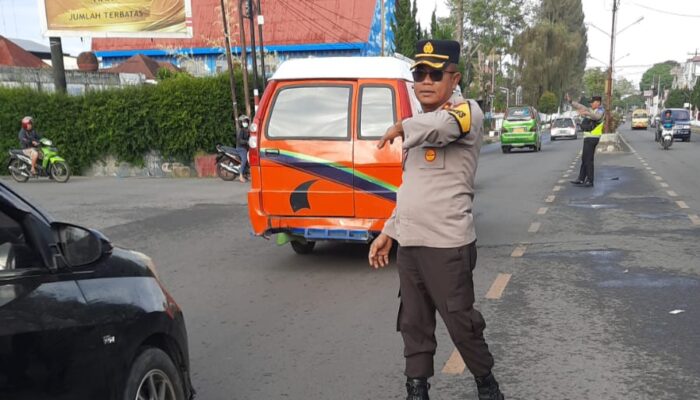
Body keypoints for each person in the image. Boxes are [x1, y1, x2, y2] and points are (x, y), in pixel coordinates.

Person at [368, 39, 504, 400]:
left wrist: (401, 125)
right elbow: (411, 189)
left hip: (447, 245)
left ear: (454, 78)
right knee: (413, 323)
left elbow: (445, 126)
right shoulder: (418, 128)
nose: (425, 81)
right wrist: (389, 231)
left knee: (461, 323)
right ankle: (417, 390)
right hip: (411, 244)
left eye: (435, 74)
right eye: (419, 73)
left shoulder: (466, 113)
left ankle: (487, 386)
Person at [567, 95, 604, 187]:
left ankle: (590, 180)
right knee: (584, 159)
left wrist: (586, 113)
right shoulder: (592, 110)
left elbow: (596, 117)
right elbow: (581, 107)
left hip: (593, 138)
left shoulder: (600, 111)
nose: (591, 104)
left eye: (592, 102)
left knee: (589, 160)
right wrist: (571, 102)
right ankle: (581, 178)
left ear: (598, 102)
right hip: (588, 137)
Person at [236, 115, 250, 183]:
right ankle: (240, 176)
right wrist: (246, 142)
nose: (245, 123)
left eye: (246, 121)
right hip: (241, 148)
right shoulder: (241, 131)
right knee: (244, 160)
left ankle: (246, 174)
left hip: (246, 148)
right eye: (244, 121)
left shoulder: (247, 130)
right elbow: (240, 140)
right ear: (241, 123)